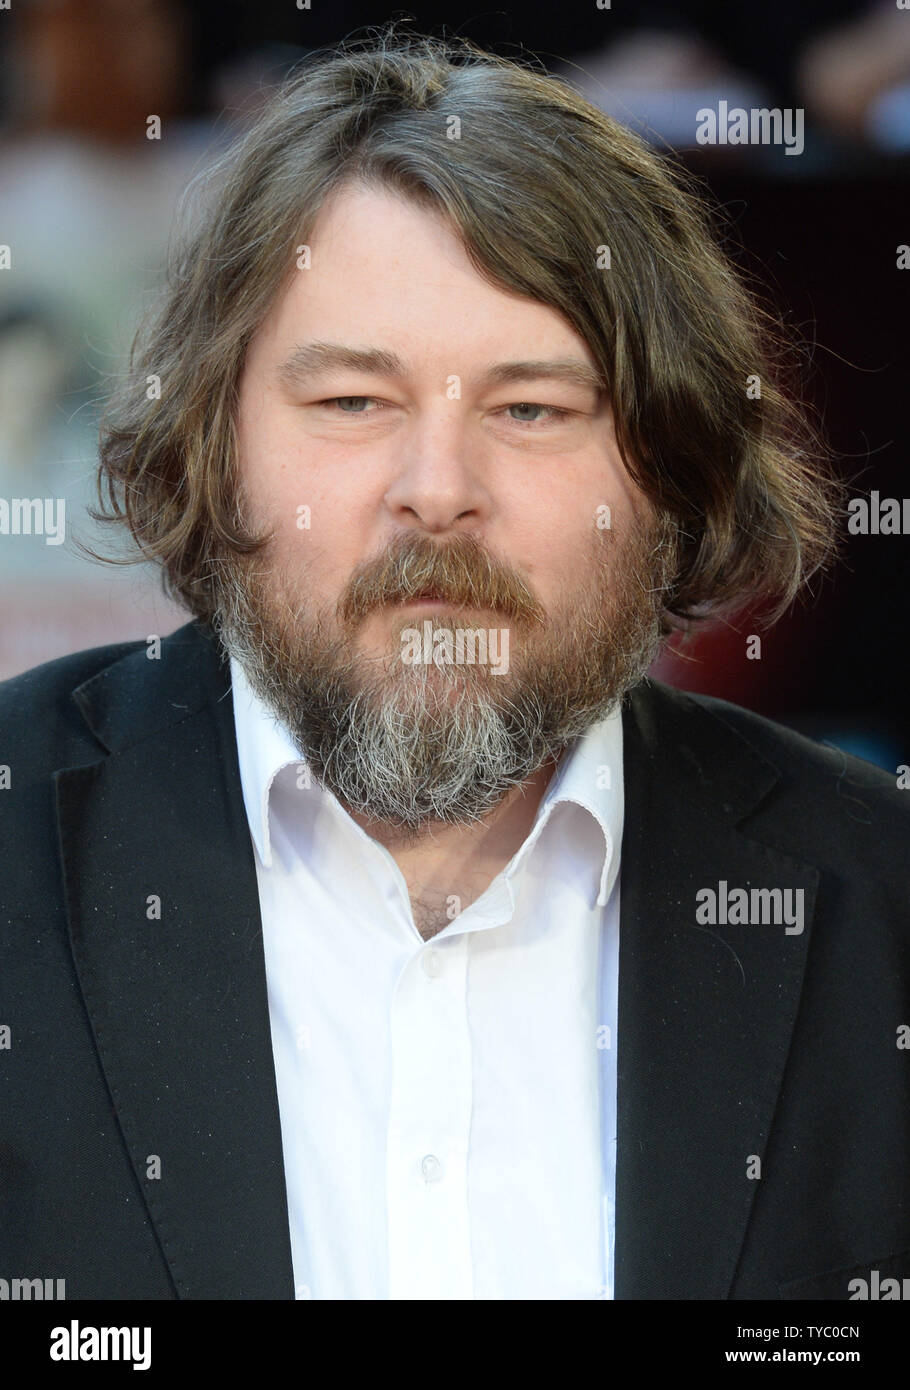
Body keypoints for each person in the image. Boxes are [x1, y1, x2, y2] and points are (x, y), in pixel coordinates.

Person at [2, 28, 908, 1302]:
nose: (438, 494)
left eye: (530, 407)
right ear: (216, 449)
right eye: (353, 403)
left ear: (670, 470)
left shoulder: (879, 905)